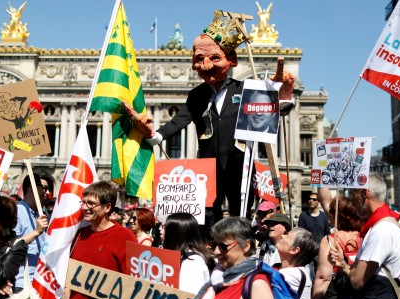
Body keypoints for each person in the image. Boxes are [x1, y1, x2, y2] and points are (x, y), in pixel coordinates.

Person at [125, 13, 294, 223]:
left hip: (239, 165)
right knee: (208, 215)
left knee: (239, 216)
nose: (205, 65)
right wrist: (155, 134)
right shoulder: (196, 95)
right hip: (207, 168)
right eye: (199, 59)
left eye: (214, 58)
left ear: (231, 60)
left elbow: (269, 114)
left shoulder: (244, 90)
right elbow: (181, 119)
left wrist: (281, 96)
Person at [329, 174, 400, 299]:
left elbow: (357, 281)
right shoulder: (381, 226)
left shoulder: (381, 230)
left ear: (365, 194)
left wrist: (349, 269)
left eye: (354, 194)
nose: (353, 201)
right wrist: (343, 265)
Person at [62, 181, 138, 299]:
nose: (84, 207)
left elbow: (133, 282)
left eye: (90, 203)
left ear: (107, 207)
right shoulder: (79, 235)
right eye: (83, 202)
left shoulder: (125, 237)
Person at [186, 217, 275, 299]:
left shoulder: (256, 285)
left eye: (223, 246)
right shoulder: (218, 279)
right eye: (214, 244)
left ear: (246, 246)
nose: (216, 251)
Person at [143, 213, 213, 299]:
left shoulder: (191, 262)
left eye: (165, 227)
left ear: (176, 232)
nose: (160, 229)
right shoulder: (182, 257)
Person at [311, 195, 362, 299]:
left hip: (334, 298)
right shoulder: (364, 236)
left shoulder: (329, 240)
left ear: (338, 215)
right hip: (359, 296)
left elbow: (323, 277)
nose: (330, 215)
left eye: (332, 212)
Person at [13, 174, 49, 293]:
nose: (47, 192)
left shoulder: (41, 215)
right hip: (23, 284)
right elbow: (11, 246)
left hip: (40, 283)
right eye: (43, 188)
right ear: (32, 188)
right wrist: (36, 232)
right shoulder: (17, 212)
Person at [275, 227, 317, 299]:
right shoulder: (281, 269)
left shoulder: (294, 274)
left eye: (287, 236)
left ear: (294, 250)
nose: (282, 236)